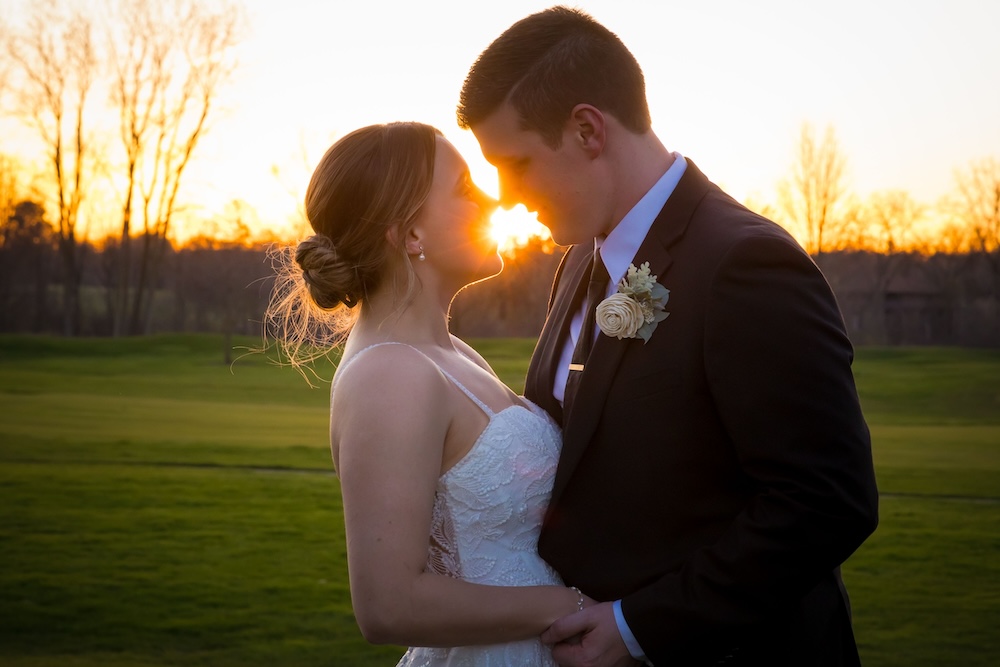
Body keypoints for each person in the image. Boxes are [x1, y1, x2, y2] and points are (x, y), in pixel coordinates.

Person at [457, 6, 880, 666]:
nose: (504, 195)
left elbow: (827, 502)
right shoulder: (578, 262)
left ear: (587, 130)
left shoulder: (744, 265)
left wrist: (637, 627)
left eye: (514, 163)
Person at [266, 121, 590, 665]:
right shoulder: (390, 375)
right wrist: (571, 605)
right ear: (409, 234)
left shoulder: (449, 352)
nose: (494, 200)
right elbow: (388, 606)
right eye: (465, 189)